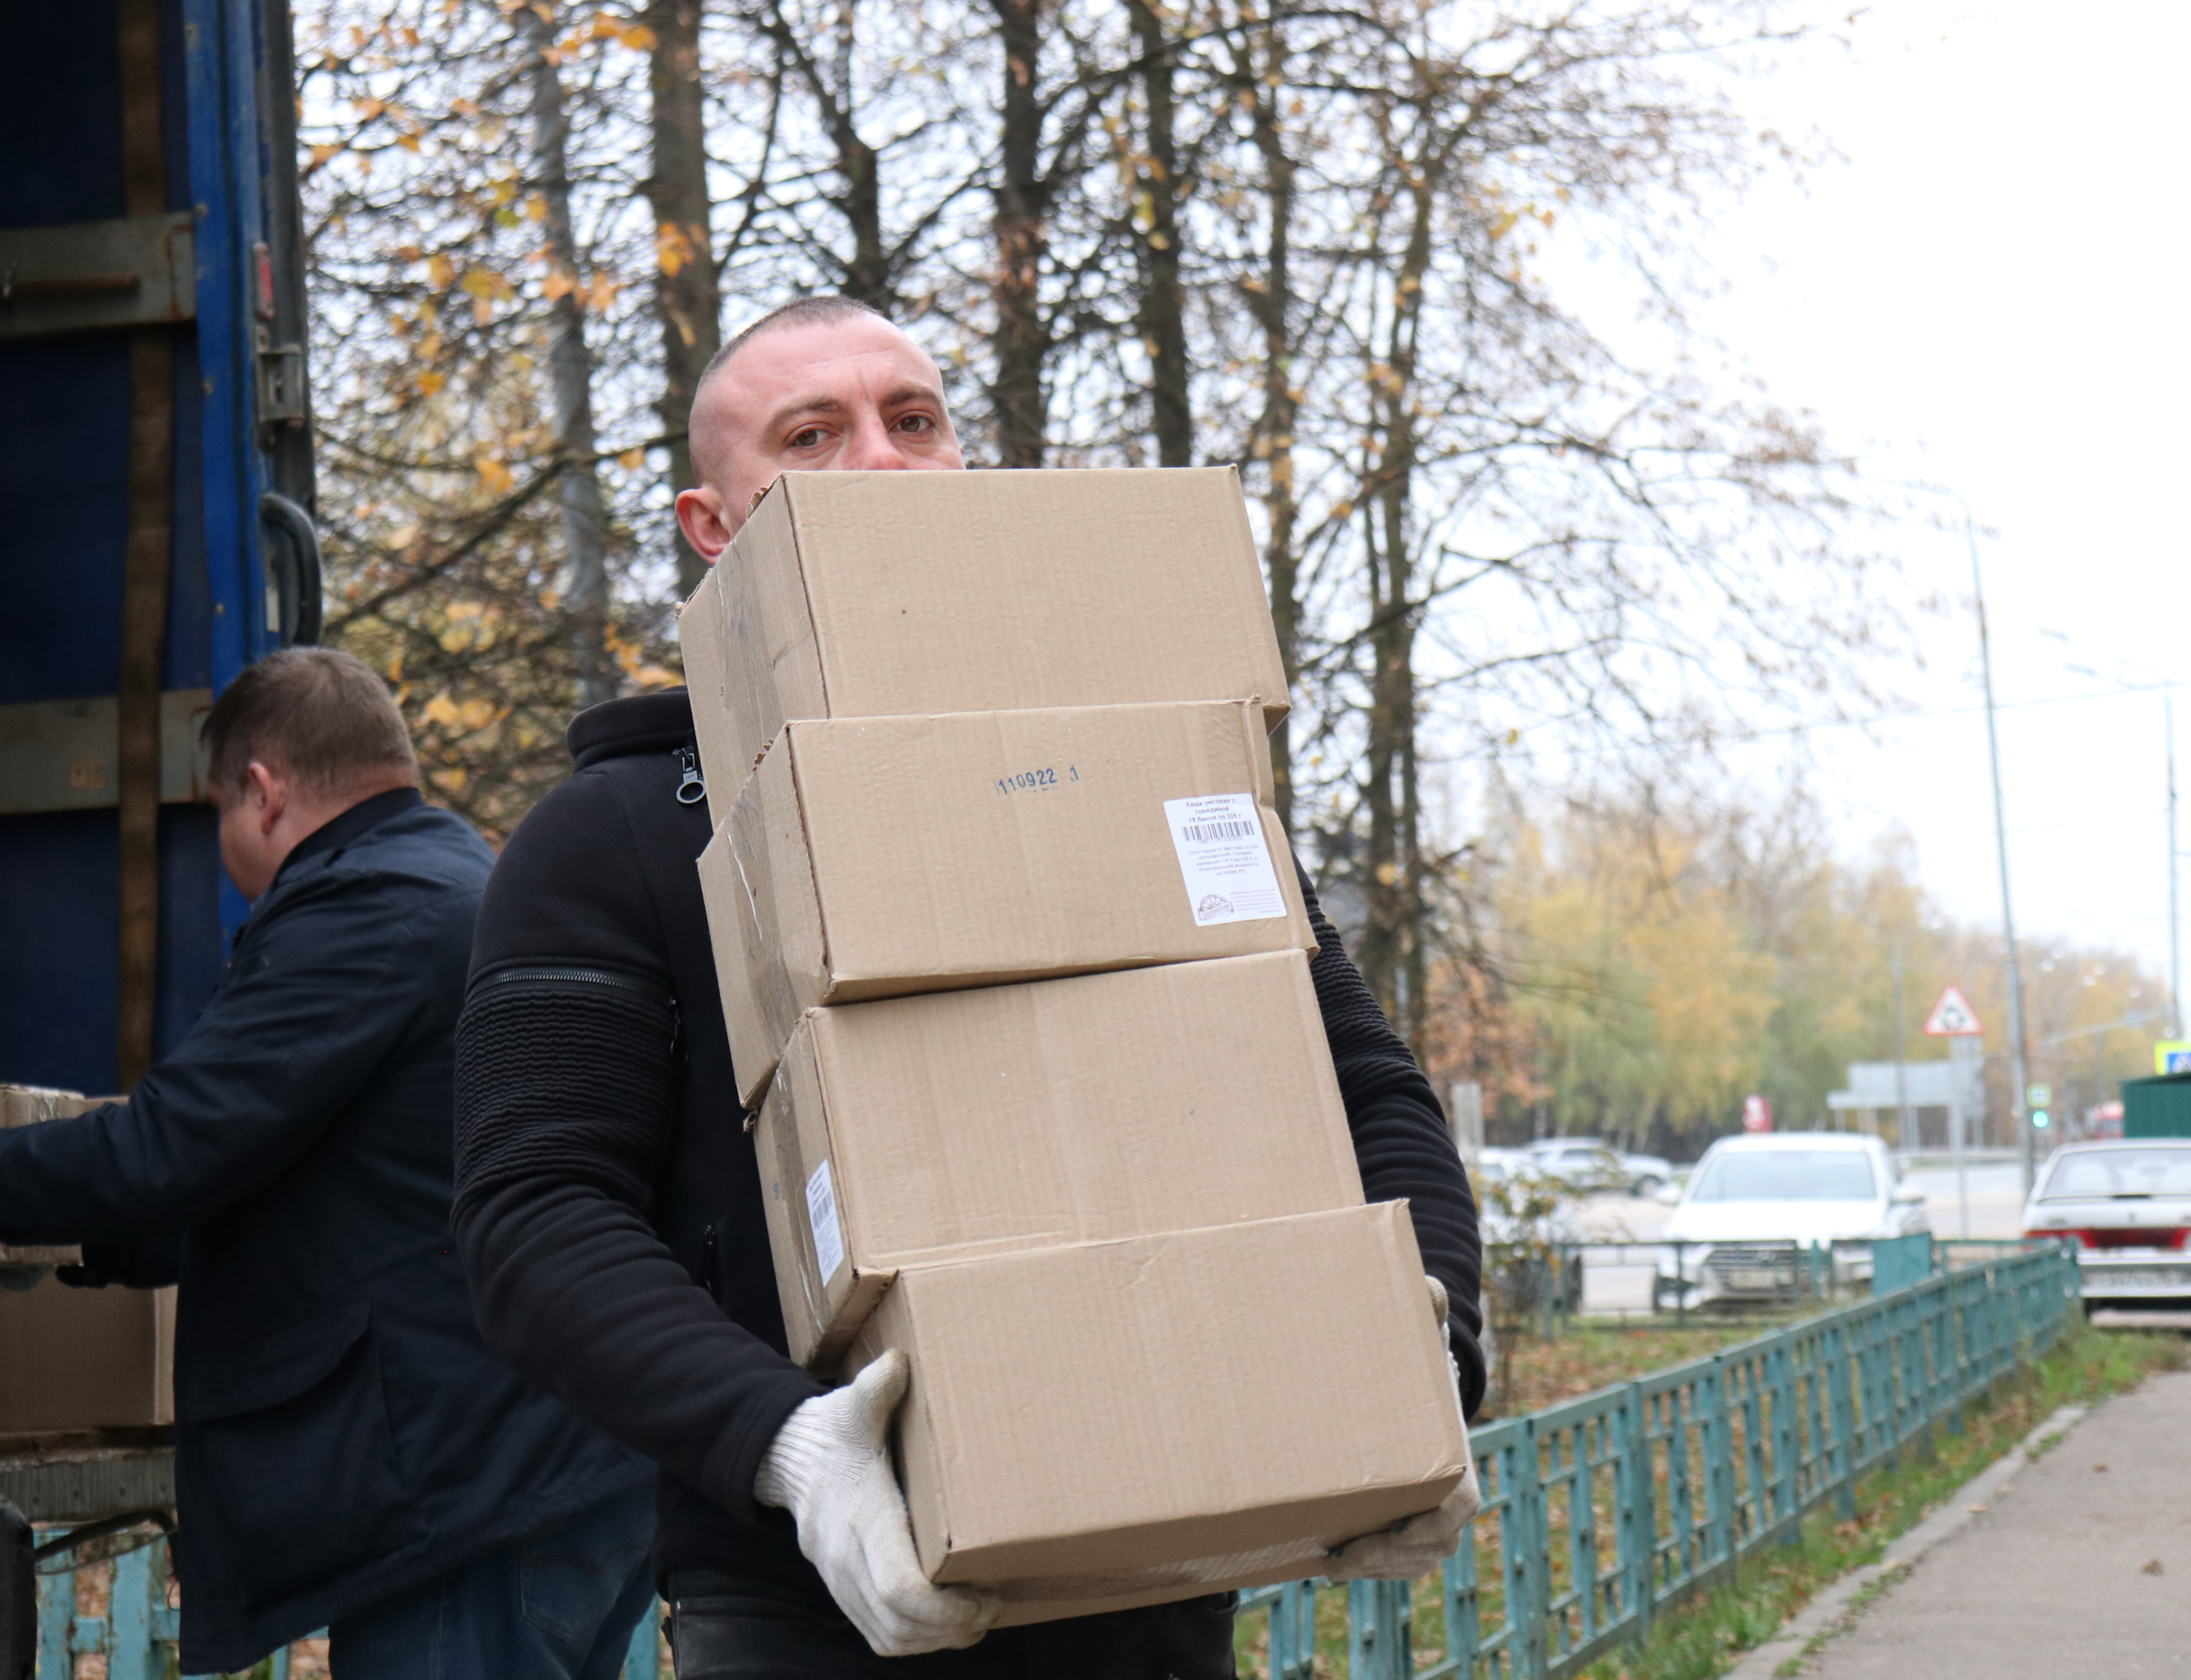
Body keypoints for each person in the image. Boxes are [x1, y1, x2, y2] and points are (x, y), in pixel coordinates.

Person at [451, 297, 1488, 1678]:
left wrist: (1426, 1344)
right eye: (811, 436)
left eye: (915, 421)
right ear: (714, 525)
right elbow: (535, 1215)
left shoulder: (1138, 769)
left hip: (1161, 1577)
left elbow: (1361, 1089)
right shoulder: (623, 836)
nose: (879, 462)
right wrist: (788, 1446)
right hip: (815, 1607)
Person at [0, 648, 658, 1679]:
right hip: (541, 1466)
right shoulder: (451, 884)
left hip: (472, 1490)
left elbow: (177, 1142)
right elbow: (263, 1171)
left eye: (217, 813)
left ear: (261, 791)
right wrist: (49, 1235)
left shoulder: (368, 913)